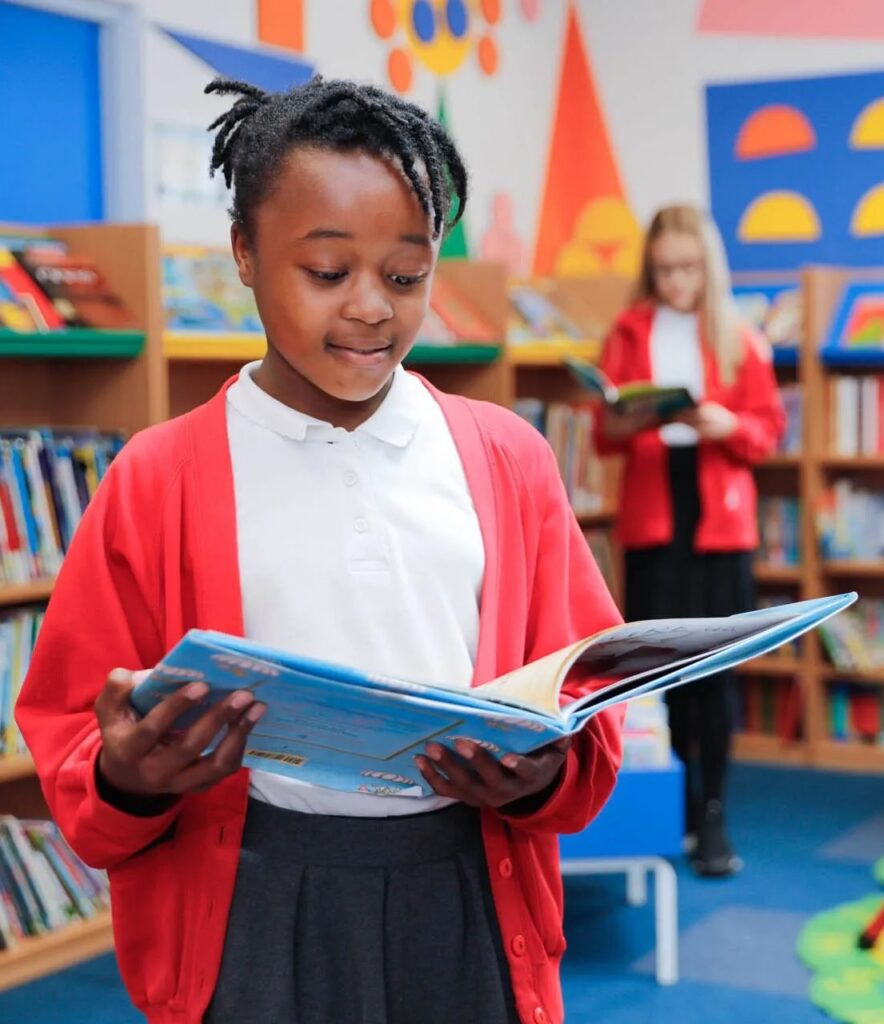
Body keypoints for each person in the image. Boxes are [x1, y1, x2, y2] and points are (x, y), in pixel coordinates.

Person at [16, 77, 624, 1024]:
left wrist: (548, 769)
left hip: (465, 886)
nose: (373, 309)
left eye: (406, 275)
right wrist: (125, 775)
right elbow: (71, 730)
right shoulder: (156, 477)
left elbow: (586, 691)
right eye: (329, 273)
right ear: (245, 257)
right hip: (255, 901)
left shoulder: (508, 459)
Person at [595, 204, 784, 877]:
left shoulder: (740, 338)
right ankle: (669, 804)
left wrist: (724, 422)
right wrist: (627, 418)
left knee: (716, 675)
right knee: (658, 670)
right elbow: (601, 432)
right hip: (653, 511)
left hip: (720, 518)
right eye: (664, 268)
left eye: (688, 268)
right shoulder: (626, 331)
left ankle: (713, 815)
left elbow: (764, 436)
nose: (676, 281)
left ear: (709, 267)